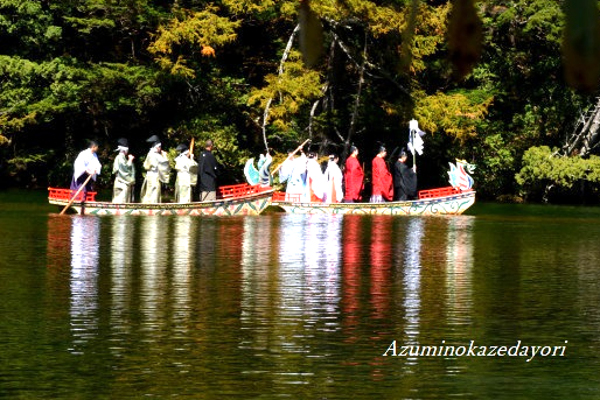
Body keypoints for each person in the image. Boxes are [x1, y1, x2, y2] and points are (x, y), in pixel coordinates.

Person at [140, 135, 170, 203]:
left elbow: (145, 165)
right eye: (160, 147)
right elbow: (164, 165)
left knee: (149, 192)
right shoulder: (156, 155)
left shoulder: (149, 154)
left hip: (149, 176)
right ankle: (153, 207)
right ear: (157, 147)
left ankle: (148, 206)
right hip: (155, 176)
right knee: (154, 192)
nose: (160, 148)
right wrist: (165, 156)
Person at [112, 138, 135, 203]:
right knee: (121, 199)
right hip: (121, 181)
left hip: (121, 180)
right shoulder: (120, 157)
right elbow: (124, 168)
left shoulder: (121, 157)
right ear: (125, 150)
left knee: (123, 198)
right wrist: (130, 160)